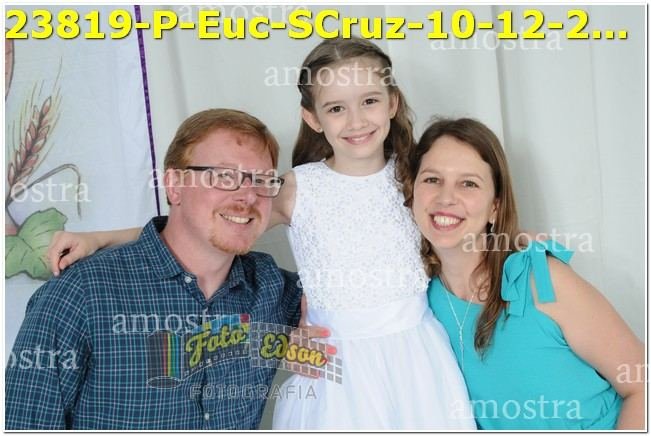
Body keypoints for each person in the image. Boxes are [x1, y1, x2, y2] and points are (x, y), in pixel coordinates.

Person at [45, 38, 475, 430]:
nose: (356, 120)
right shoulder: (298, 189)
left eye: (369, 101)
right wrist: (100, 238)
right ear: (312, 117)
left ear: (392, 102)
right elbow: (197, 227)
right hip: (335, 366)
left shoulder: (418, 176)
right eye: (336, 109)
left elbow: (466, 223)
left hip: (416, 358)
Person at [6, 109, 321, 429]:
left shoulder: (271, 288)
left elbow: (348, 308)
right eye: (224, 176)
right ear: (174, 185)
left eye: (262, 180)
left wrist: (312, 342)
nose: (248, 196)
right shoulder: (82, 293)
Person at [403, 117, 645, 430]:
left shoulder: (543, 280)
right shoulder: (417, 299)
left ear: (495, 207)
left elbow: (642, 384)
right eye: (432, 179)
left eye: (468, 183)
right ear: (412, 192)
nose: (446, 197)